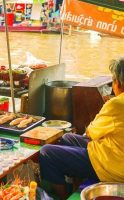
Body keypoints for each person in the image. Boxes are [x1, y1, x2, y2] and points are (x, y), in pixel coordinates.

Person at [39, 57, 124, 200]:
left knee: (47, 153)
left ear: (118, 83)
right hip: (115, 152)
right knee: (67, 138)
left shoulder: (117, 104)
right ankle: (73, 181)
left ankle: (62, 196)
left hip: (112, 167)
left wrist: (106, 106)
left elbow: (91, 133)